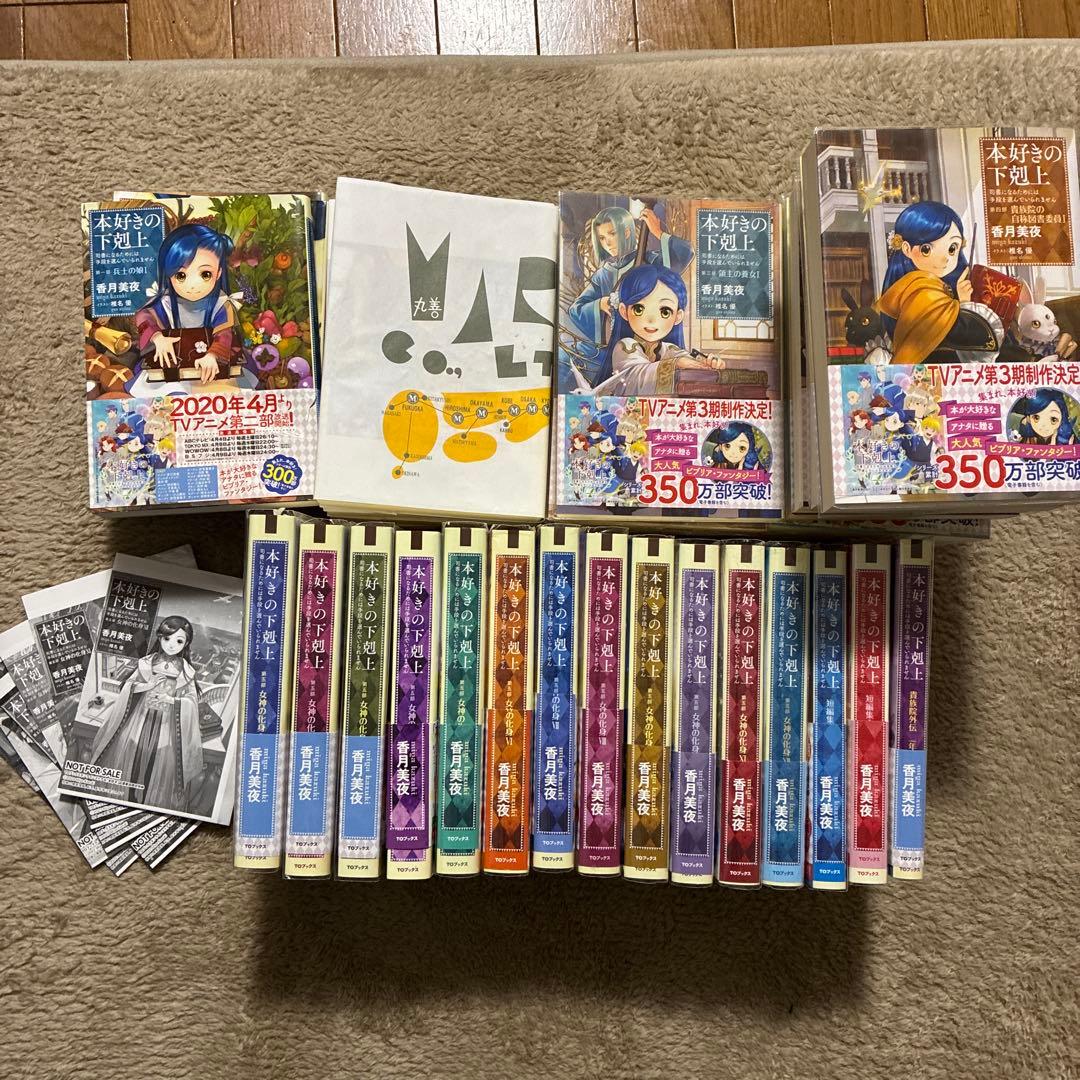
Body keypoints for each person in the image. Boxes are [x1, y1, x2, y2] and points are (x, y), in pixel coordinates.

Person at [88, 615, 204, 813]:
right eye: (167, 638)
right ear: (160, 637)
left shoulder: (186, 671)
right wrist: (147, 685)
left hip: (167, 725)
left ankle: (146, 806)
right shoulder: (147, 663)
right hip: (139, 720)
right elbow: (128, 686)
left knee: (157, 768)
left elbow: (191, 701)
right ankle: (125, 800)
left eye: (179, 641)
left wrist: (172, 700)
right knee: (131, 760)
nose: (172, 645)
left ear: (186, 644)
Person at [875, 201, 999, 365]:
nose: (945, 258)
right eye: (926, 249)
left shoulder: (919, 287)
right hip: (935, 370)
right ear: (906, 249)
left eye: (952, 248)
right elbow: (968, 337)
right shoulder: (924, 292)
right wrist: (964, 304)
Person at [567, 205, 694, 345]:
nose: (607, 243)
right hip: (617, 343)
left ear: (627, 233)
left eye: (612, 234)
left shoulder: (650, 262)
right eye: (602, 238)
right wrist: (600, 304)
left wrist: (657, 232)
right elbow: (576, 309)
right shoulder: (603, 274)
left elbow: (685, 253)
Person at [589, 265, 722, 397]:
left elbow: (688, 361)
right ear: (624, 311)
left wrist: (708, 362)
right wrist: (675, 364)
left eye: (665, 311)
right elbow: (634, 377)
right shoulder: (625, 346)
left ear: (678, 316)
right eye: (639, 309)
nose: (651, 320)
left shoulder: (670, 349)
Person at [135, 223, 239, 386]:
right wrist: (158, 337)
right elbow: (143, 316)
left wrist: (213, 355)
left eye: (205, 274)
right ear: (168, 274)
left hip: (209, 370)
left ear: (219, 272)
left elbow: (224, 335)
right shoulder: (167, 302)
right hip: (171, 367)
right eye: (181, 275)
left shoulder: (221, 303)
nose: (192, 285)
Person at [1012, 388, 1077, 445]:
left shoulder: (1066, 438)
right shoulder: (1026, 432)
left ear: (1062, 420)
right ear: (1029, 418)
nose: (1043, 425)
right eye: (1036, 418)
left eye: (1053, 419)